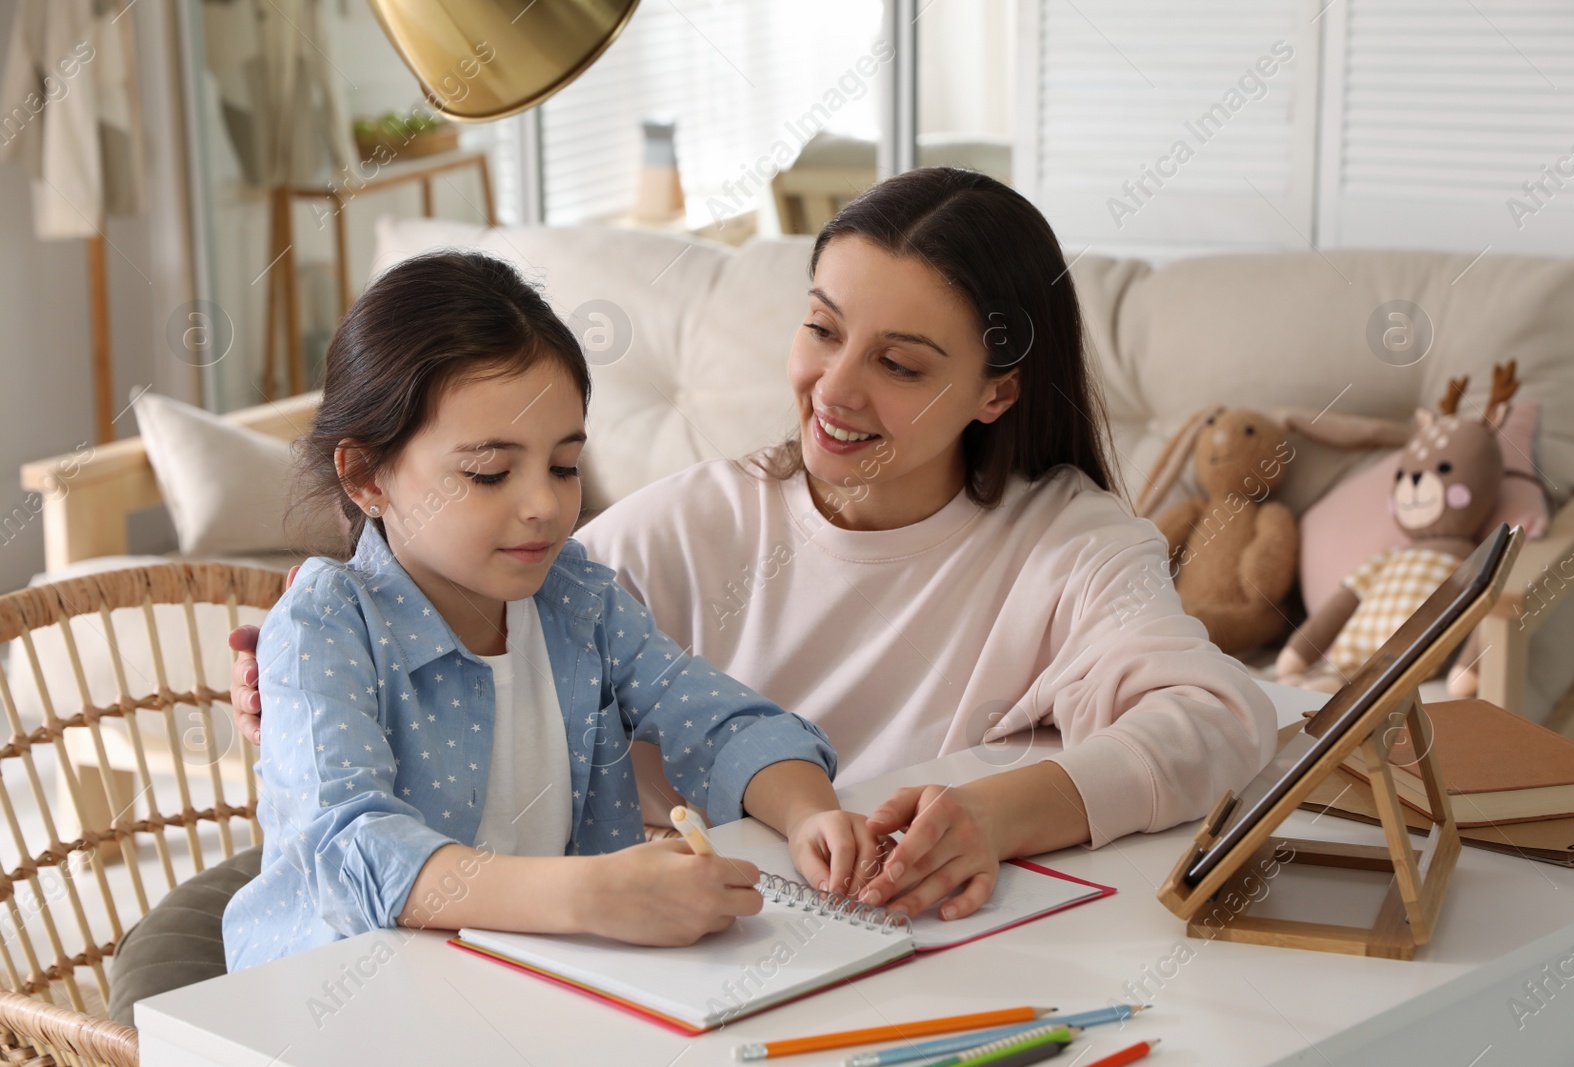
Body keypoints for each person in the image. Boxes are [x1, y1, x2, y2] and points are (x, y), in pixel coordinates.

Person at [229, 168, 1277, 925]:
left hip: (747, 956)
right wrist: (291, 681)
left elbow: (1221, 722)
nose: (835, 389)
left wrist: (907, 812)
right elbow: (363, 759)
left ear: (995, 390)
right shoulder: (667, 530)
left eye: (900, 364)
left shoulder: (1065, 545)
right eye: (822, 328)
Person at [222, 251, 870, 972]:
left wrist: (811, 812)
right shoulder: (324, 625)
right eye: (489, 473)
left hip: (533, 989)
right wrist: (589, 895)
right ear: (366, 475)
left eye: (564, 466)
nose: (544, 505)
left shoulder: (576, 597)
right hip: (336, 1006)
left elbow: (721, 720)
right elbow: (352, 850)